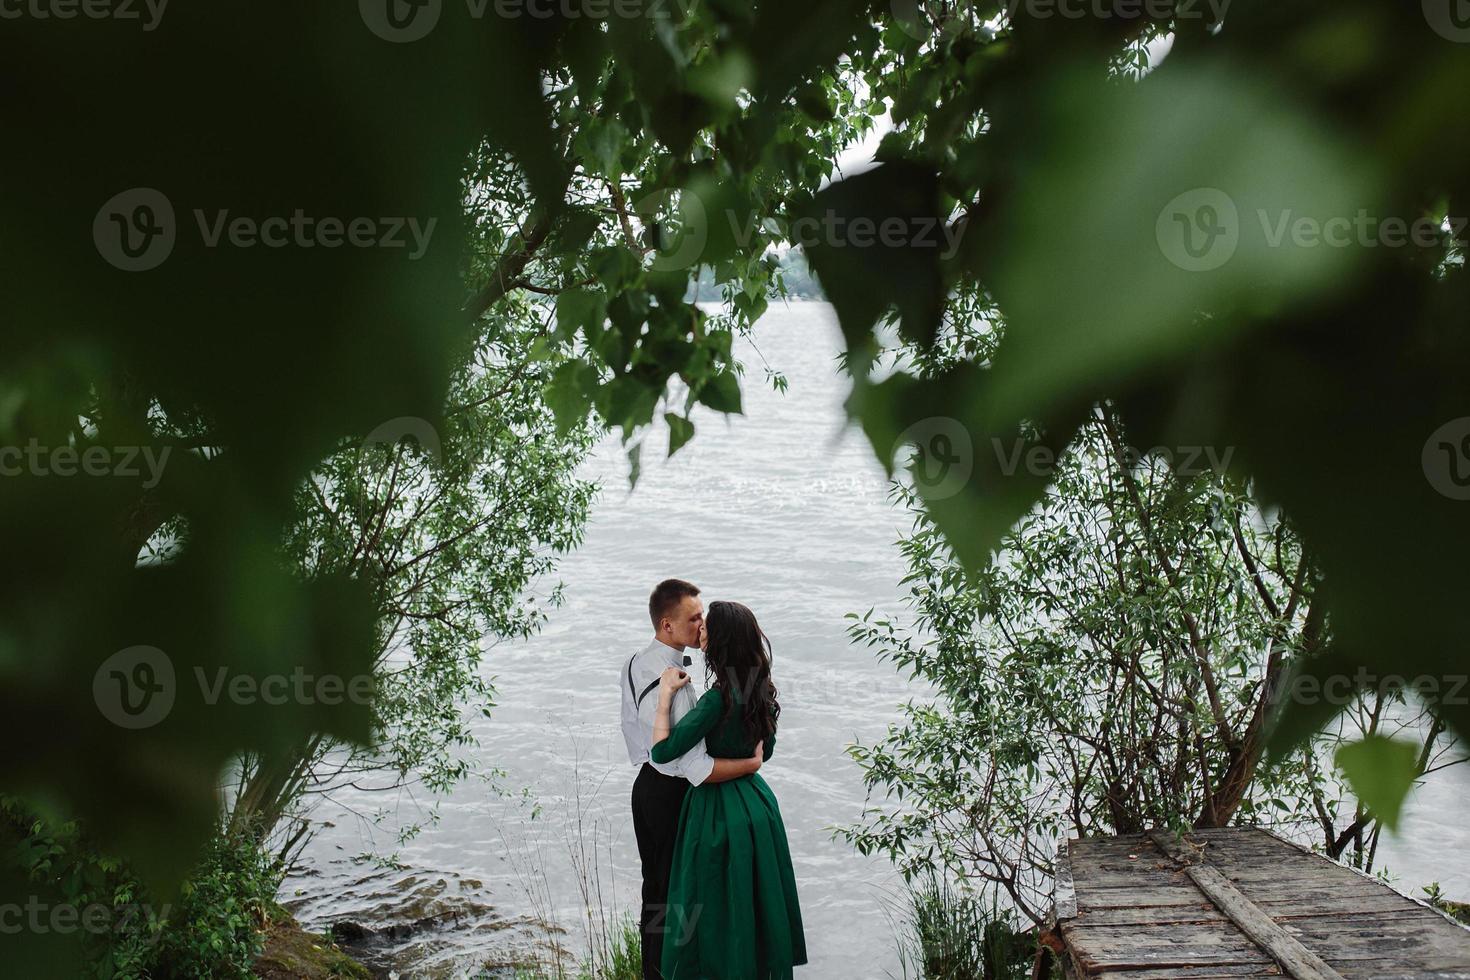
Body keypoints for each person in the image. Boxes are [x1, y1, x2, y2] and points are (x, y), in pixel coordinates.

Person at [650, 600, 806, 979]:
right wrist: (748, 763)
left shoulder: (715, 700)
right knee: (756, 899)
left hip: (716, 812)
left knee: (707, 901)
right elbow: (763, 752)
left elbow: (662, 751)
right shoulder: (760, 689)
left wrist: (665, 697)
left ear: (719, 640)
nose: (700, 629)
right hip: (758, 807)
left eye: (706, 627)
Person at [621, 579, 764, 980]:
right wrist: (749, 765)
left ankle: (653, 967)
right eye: (695, 618)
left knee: (656, 888)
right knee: (677, 894)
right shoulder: (677, 685)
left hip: (646, 787)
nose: (702, 625)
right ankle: (669, 969)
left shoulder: (635, 662)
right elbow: (698, 768)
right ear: (667, 625)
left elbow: (632, 732)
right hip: (674, 796)